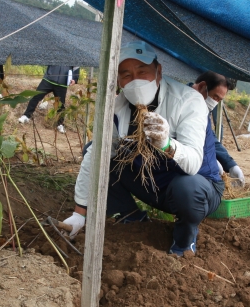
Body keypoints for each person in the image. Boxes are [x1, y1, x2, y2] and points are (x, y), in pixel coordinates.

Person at [60, 41, 223, 256]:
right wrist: (80, 213)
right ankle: (132, 217)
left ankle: (185, 239)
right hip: (152, 182)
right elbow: (96, 156)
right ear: (118, 80)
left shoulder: (187, 101)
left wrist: (167, 143)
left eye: (142, 71)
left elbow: (192, 164)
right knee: (97, 152)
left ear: (158, 72)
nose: (134, 81)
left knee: (188, 188)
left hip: (197, 188)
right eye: (126, 75)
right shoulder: (118, 107)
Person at [192, 71, 244, 186]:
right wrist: (208, 161)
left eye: (219, 100)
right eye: (215, 97)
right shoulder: (178, 102)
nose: (215, 102)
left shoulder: (202, 108)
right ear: (202, 87)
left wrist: (230, 165)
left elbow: (210, 139)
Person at [18, 65, 81, 133]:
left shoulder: (72, 54)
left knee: (61, 105)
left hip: (62, 83)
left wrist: (75, 79)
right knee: (36, 96)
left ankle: (60, 124)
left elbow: (76, 66)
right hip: (48, 79)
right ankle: (26, 116)